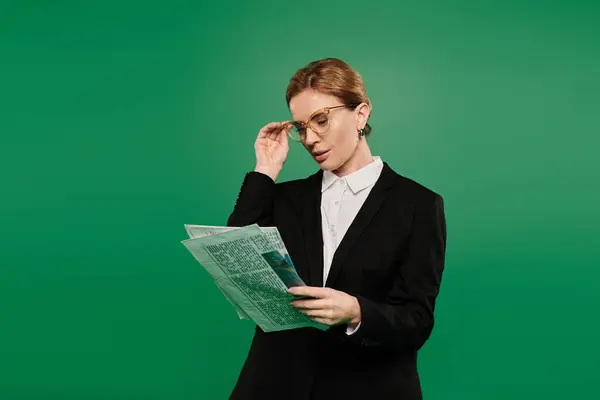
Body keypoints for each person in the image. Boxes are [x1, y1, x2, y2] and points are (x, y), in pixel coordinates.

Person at [226, 57, 447, 400]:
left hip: (366, 387)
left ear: (361, 114)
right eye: (301, 127)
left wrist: (357, 311)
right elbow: (235, 254)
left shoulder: (418, 205)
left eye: (321, 120)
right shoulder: (283, 197)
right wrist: (265, 170)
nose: (310, 139)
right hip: (274, 384)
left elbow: (417, 319)